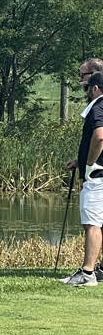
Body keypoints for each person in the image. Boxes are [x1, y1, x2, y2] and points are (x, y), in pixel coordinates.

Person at [61, 68, 103, 286]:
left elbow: (99, 136)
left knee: (92, 223)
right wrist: (80, 160)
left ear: (95, 88)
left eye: (87, 87)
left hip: (97, 176)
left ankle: (87, 273)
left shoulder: (98, 107)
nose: (87, 91)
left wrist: (90, 163)